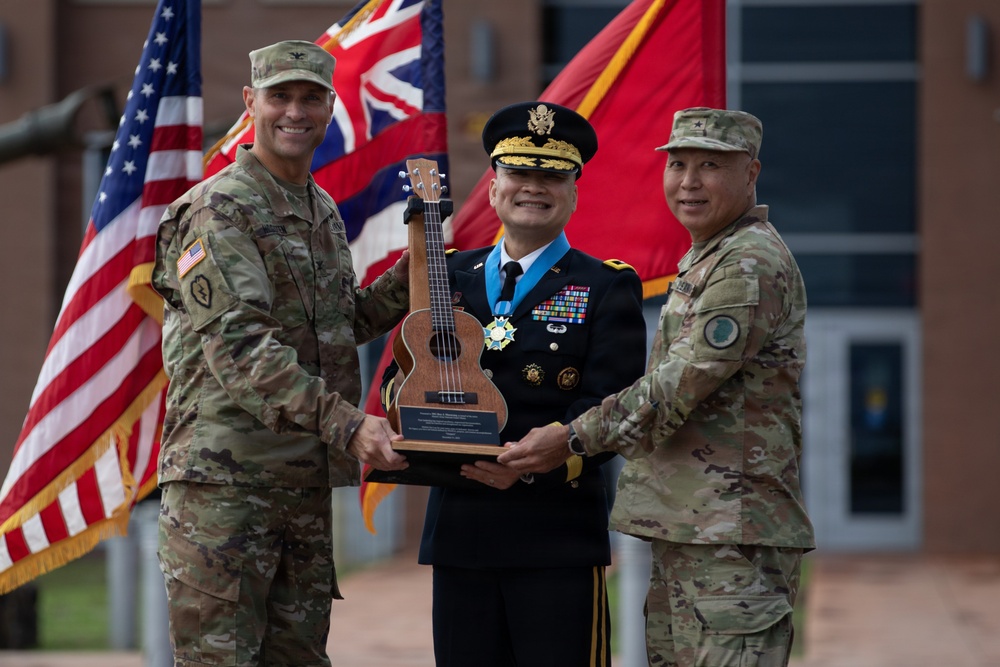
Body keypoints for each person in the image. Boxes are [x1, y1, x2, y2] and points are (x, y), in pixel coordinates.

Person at [499, 107, 816, 667]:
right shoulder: (709, 256)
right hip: (695, 528)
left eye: (710, 166)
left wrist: (569, 438)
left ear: (751, 173)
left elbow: (678, 384)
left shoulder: (748, 262)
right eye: (678, 164)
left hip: (731, 539)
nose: (689, 182)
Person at [151, 40, 410, 666]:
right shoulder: (219, 207)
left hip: (301, 486)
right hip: (226, 488)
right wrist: (349, 425)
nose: (295, 111)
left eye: (310, 97)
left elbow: (337, 328)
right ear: (251, 103)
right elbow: (241, 345)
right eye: (280, 96)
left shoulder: (318, 208)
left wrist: (418, 273)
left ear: (329, 108)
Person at [382, 101, 647, 666]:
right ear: (494, 184)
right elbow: (394, 379)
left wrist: (542, 463)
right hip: (460, 534)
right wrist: (407, 409)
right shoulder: (444, 274)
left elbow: (614, 408)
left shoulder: (607, 287)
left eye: (552, 175)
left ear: (575, 189)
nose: (534, 187)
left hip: (556, 537)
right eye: (519, 173)